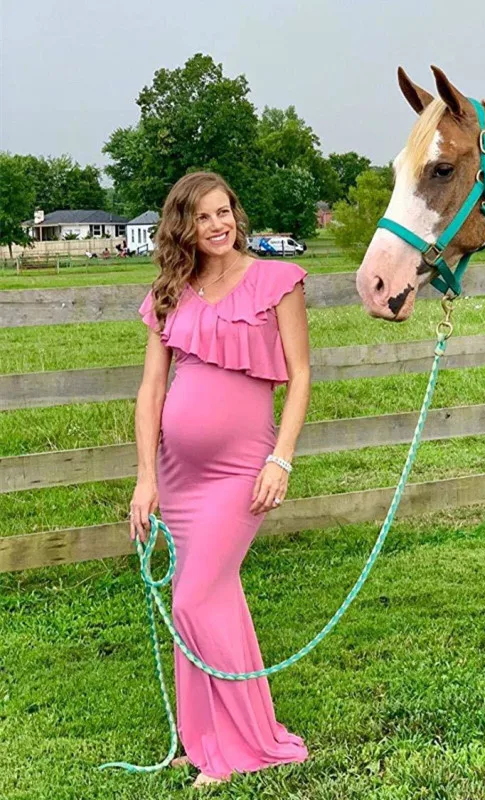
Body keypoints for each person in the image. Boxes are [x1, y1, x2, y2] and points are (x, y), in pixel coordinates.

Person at [130, 171, 311, 788]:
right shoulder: (169, 292)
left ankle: (246, 745)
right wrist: (144, 479)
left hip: (242, 471)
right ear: (184, 225)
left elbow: (302, 374)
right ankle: (206, 738)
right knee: (207, 601)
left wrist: (280, 458)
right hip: (178, 476)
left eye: (225, 211)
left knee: (195, 597)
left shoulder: (275, 281)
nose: (218, 224)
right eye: (204, 216)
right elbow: (152, 388)